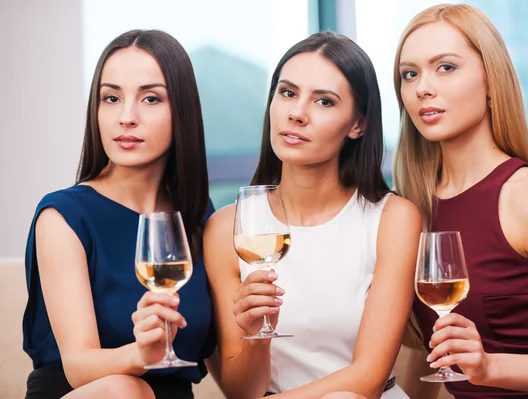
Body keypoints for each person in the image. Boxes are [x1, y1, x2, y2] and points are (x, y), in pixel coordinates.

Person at [393, 4, 528, 398]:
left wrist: (488, 366)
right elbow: (430, 349)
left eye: (446, 67)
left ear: (491, 80)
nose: (422, 88)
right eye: (410, 74)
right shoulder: (413, 207)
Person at [203, 31, 420, 398]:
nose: (296, 113)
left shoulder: (393, 219)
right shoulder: (228, 228)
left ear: (358, 124)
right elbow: (241, 392)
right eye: (287, 93)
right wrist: (256, 335)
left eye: (324, 101)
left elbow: (367, 379)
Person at [23, 29, 214, 399]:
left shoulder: (200, 217)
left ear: (183, 111)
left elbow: (230, 367)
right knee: (126, 390)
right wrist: (142, 354)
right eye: (111, 98)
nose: (126, 117)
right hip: (92, 393)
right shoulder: (64, 216)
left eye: (151, 99)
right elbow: (78, 366)